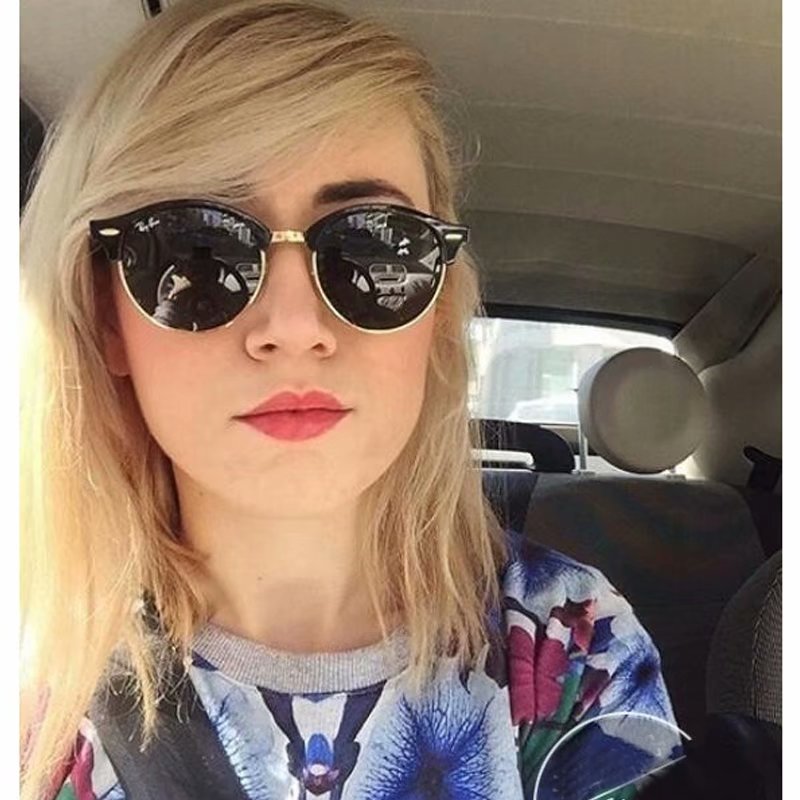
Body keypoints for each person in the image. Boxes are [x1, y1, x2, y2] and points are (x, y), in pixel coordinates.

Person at [19, 1, 682, 798]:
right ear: (106, 318)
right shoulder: (32, 682)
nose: (294, 328)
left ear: (437, 312)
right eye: (194, 251)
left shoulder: (574, 642)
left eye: (373, 247)